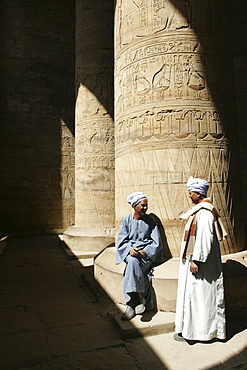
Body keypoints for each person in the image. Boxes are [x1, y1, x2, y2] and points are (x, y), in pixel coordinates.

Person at [174, 177, 227, 342]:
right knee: (197, 295)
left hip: (202, 264)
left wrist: (196, 259)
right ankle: (193, 330)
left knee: (201, 296)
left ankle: (202, 332)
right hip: (200, 261)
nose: (189, 196)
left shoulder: (204, 212)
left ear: (198, 193)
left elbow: (205, 238)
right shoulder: (200, 210)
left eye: (191, 193)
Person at [116, 192, 164, 320]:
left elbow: (156, 242)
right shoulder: (126, 220)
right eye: (142, 205)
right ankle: (137, 298)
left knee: (131, 266)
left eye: (146, 205)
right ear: (135, 206)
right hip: (131, 253)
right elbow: (121, 241)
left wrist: (145, 252)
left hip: (144, 256)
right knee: (131, 260)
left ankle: (131, 302)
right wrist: (129, 249)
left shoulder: (151, 221)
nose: (145, 208)